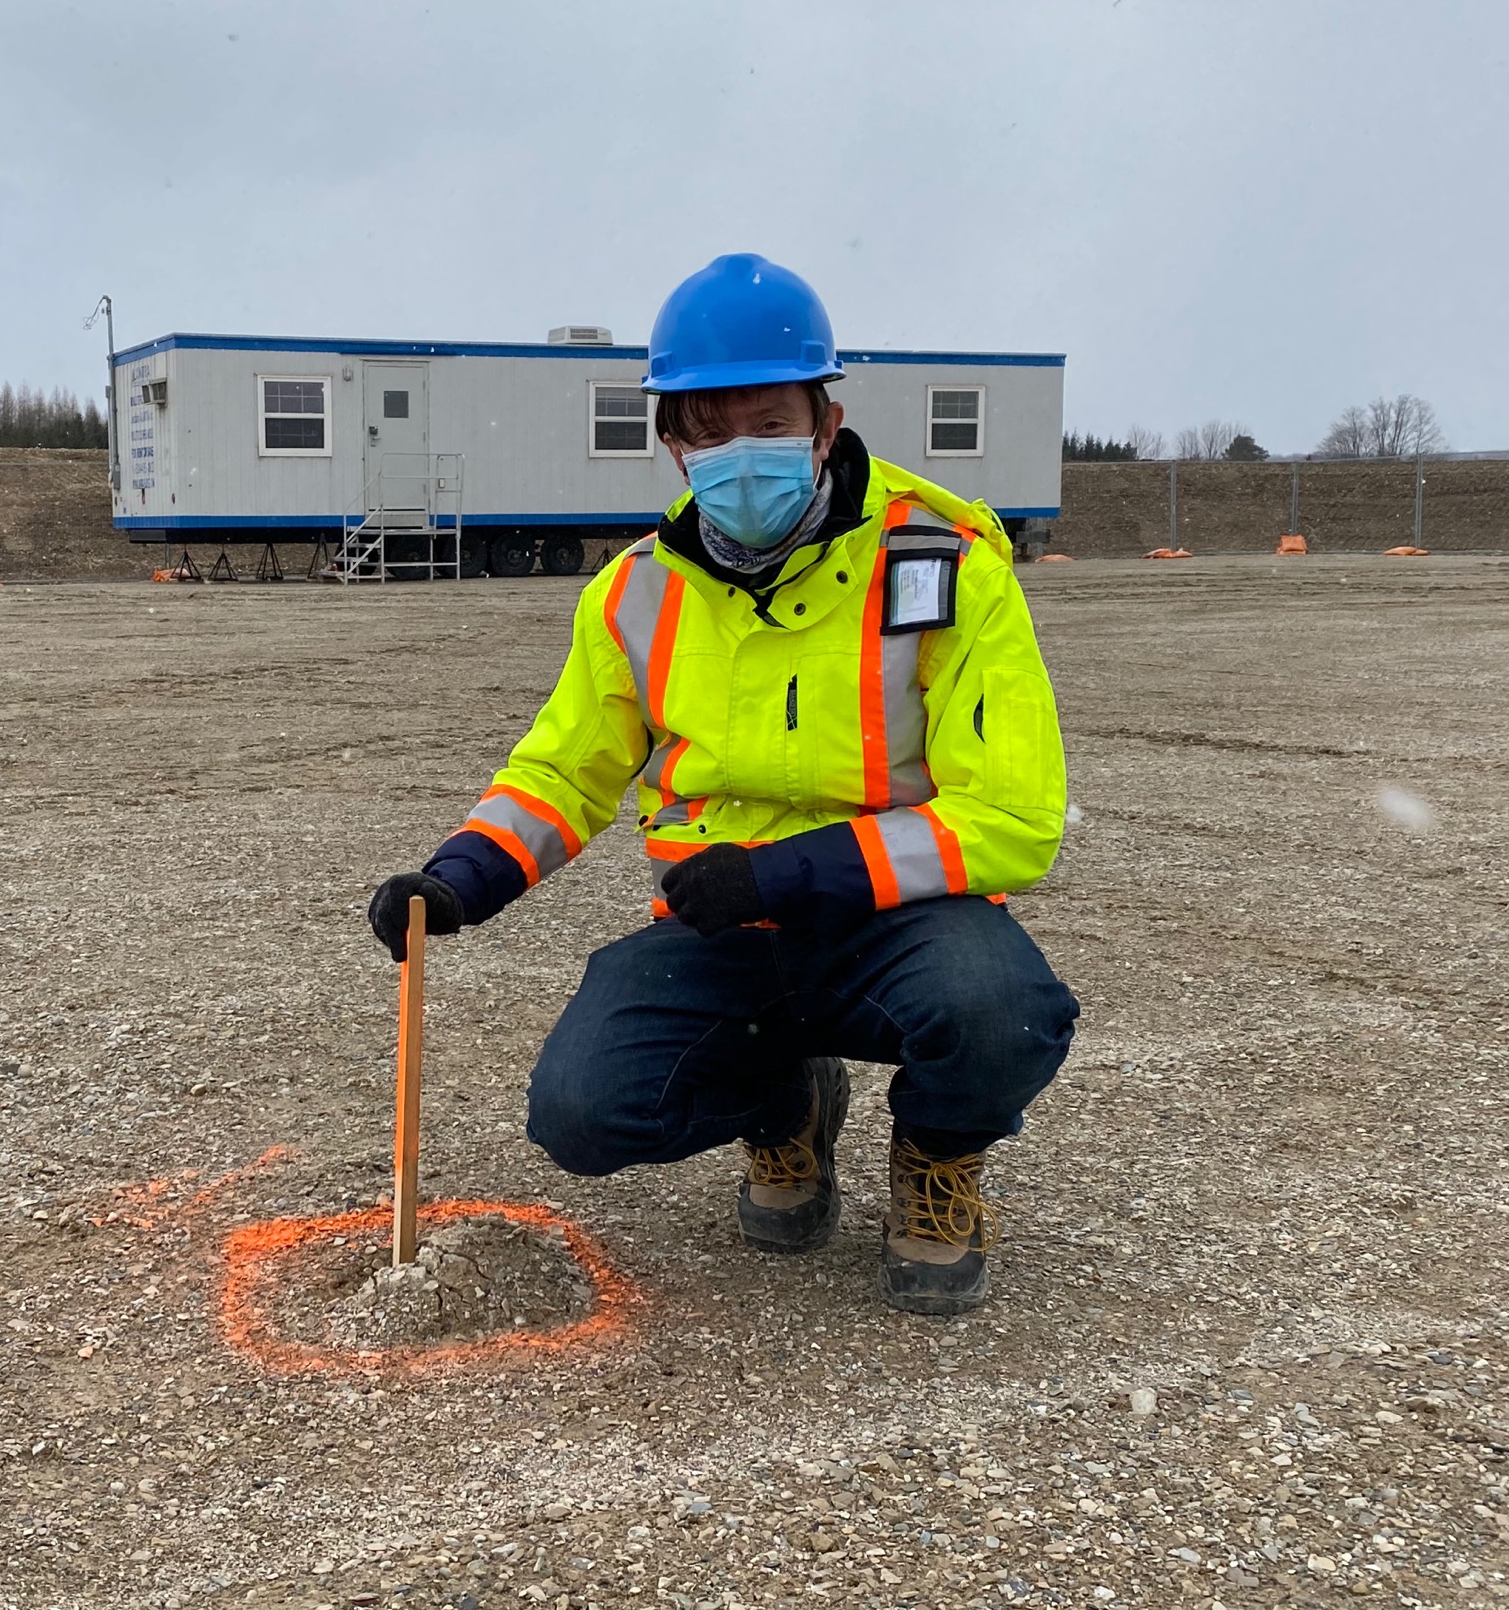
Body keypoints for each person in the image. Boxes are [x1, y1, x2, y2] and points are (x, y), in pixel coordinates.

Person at [368, 253, 1078, 1314]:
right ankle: (782, 1104)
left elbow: (1014, 817)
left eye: (768, 421)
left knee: (999, 1013)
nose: (737, 452)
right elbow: (566, 766)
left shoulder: (944, 567)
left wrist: (788, 875)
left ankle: (938, 1158)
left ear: (825, 422)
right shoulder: (634, 595)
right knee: (583, 1110)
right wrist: (460, 878)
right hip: (721, 930)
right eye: (706, 428)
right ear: (671, 442)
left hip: (905, 922)